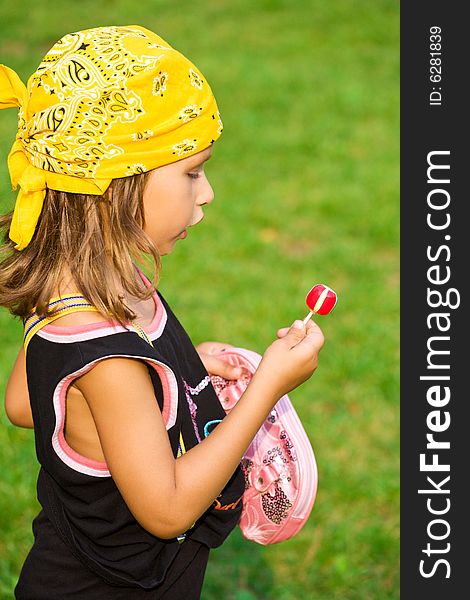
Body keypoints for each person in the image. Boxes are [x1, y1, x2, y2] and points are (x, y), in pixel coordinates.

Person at [0, 25, 324, 599]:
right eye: (191, 172)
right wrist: (265, 390)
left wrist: (177, 370)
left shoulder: (83, 288)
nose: (207, 194)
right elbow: (169, 510)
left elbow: (27, 405)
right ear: (115, 187)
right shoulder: (110, 359)